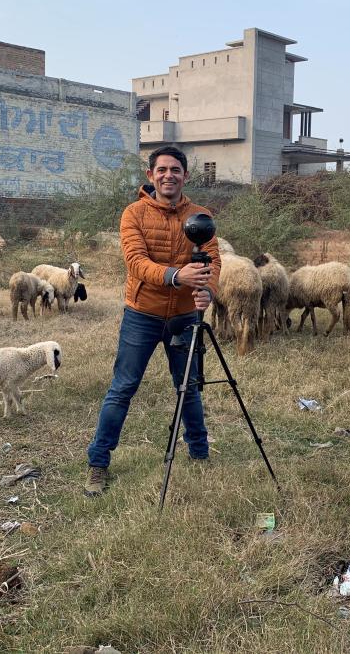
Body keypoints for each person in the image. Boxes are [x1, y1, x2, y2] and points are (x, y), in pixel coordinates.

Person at [84, 145, 221, 497]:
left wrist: (208, 289)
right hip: (141, 314)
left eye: (175, 170)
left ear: (185, 175)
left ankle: (200, 453)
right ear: (150, 175)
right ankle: (98, 463)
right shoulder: (133, 214)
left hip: (184, 316)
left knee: (188, 387)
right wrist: (178, 276)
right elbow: (136, 262)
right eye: (161, 170)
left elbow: (213, 261)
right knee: (123, 388)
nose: (168, 175)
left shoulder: (201, 215)